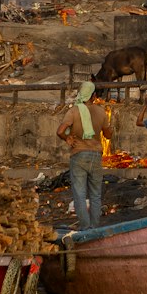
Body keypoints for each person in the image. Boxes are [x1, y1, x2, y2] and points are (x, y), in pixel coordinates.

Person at [58, 79, 112, 229]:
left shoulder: (74, 111)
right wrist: (109, 128)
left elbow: (60, 131)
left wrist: (67, 138)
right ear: (94, 95)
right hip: (95, 155)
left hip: (79, 154)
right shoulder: (101, 112)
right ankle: (94, 228)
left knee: (79, 195)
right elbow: (108, 135)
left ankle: (85, 227)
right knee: (95, 195)